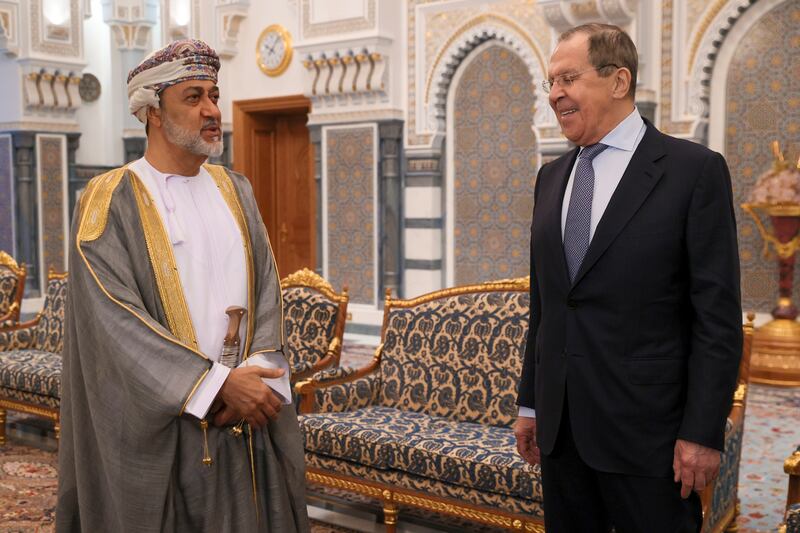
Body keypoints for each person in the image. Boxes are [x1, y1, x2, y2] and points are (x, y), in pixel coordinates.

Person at [56, 39, 309, 532]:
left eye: (213, 95)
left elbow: (266, 290)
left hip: (247, 410)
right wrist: (212, 385)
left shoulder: (236, 189)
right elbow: (112, 318)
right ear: (152, 110)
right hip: (171, 417)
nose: (212, 110)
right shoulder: (110, 197)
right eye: (193, 98)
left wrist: (255, 375)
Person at [514, 24, 742, 532]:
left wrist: (703, 431)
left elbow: (717, 320)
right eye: (550, 82)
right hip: (560, 431)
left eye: (568, 77)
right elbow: (546, 306)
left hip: (649, 435)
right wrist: (530, 402)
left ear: (619, 81)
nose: (554, 94)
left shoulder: (693, 171)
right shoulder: (550, 178)